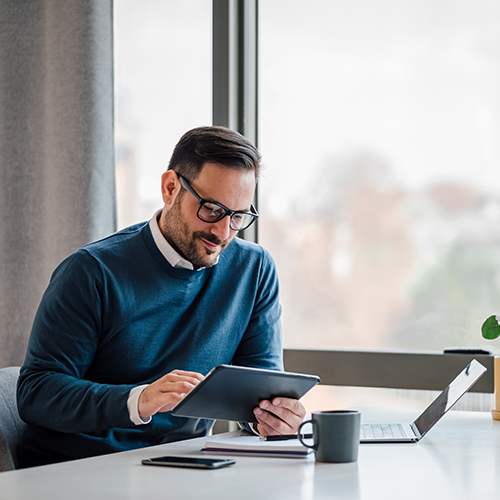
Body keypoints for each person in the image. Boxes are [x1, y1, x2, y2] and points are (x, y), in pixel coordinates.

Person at [17, 126, 306, 467]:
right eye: (212, 209)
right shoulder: (91, 272)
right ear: (170, 188)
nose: (223, 232)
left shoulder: (254, 271)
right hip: (80, 467)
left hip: (183, 465)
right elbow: (36, 394)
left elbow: (258, 393)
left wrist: (273, 417)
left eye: (238, 216)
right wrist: (139, 399)